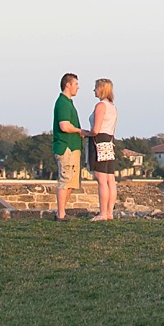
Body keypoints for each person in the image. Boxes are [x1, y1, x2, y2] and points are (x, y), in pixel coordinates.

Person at [52, 72, 92, 220]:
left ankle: (62, 212)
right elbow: (64, 126)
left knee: (71, 182)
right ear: (67, 85)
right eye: (75, 84)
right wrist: (80, 131)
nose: (78, 87)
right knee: (65, 180)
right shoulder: (62, 103)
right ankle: (61, 213)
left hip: (73, 147)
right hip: (66, 147)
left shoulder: (68, 103)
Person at [88, 77, 119, 220]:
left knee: (101, 179)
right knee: (110, 179)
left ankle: (103, 213)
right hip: (109, 141)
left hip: (98, 140)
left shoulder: (101, 106)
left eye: (96, 87)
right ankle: (109, 213)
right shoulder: (113, 107)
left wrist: (83, 133)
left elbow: (95, 129)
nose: (94, 90)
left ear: (101, 89)